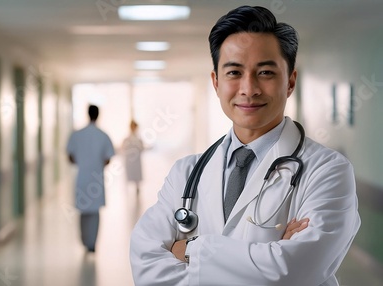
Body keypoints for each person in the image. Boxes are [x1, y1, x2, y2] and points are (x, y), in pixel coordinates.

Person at [130, 5, 360, 286]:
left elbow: (293, 271)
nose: (248, 89)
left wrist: (190, 249)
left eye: (265, 72)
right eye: (234, 72)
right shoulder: (185, 174)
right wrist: (267, 257)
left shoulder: (327, 171)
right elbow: (146, 266)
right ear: (216, 82)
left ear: (290, 82)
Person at [66, 105, 115, 252]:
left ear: (87, 114)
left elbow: (70, 157)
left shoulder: (77, 135)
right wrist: (97, 164)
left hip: (82, 177)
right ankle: (92, 243)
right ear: (98, 115)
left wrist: (83, 162)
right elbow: (108, 158)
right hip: (96, 178)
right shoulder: (103, 135)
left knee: (83, 211)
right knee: (94, 212)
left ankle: (84, 240)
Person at [122, 120, 144, 194]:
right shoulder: (127, 139)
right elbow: (123, 148)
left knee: (136, 175)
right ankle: (127, 190)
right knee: (129, 175)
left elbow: (141, 148)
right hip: (129, 160)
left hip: (136, 160)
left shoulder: (138, 139)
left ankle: (137, 188)